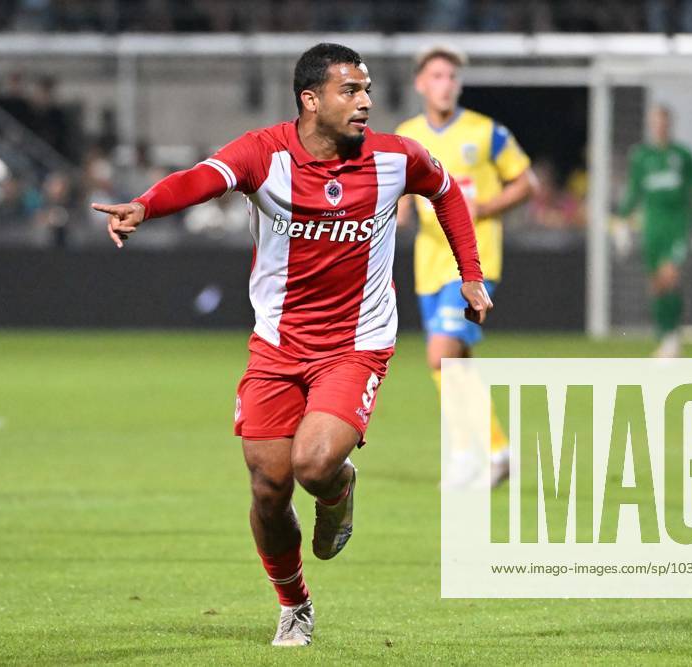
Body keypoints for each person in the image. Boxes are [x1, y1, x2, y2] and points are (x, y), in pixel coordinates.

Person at [90, 43, 491, 648]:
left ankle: (338, 486)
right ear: (310, 100)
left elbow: (447, 193)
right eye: (349, 91)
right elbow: (204, 178)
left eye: (367, 89)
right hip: (277, 345)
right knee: (268, 487)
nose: (365, 102)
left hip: (356, 344)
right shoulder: (264, 153)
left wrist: (471, 272)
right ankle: (295, 604)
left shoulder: (394, 157)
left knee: (312, 463)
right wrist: (147, 205)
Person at [394, 45, 533, 488]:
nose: (445, 84)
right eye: (436, 76)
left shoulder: (486, 132)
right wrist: (396, 209)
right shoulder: (407, 135)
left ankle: (463, 454)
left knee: (441, 355)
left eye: (451, 76)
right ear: (421, 83)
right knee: (458, 361)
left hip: (473, 262)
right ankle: (496, 450)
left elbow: (526, 182)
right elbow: (396, 184)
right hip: (429, 263)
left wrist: (486, 208)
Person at [617, 105, 692, 358]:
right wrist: (623, 222)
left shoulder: (683, 155)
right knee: (657, 285)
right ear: (650, 125)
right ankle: (666, 336)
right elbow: (634, 191)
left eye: (663, 122)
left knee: (669, 276)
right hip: (653, 227)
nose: (659, 126)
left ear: (670, 124)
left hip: (677, 224)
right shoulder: (641, 156)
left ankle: (671, 338)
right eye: (655, 122)